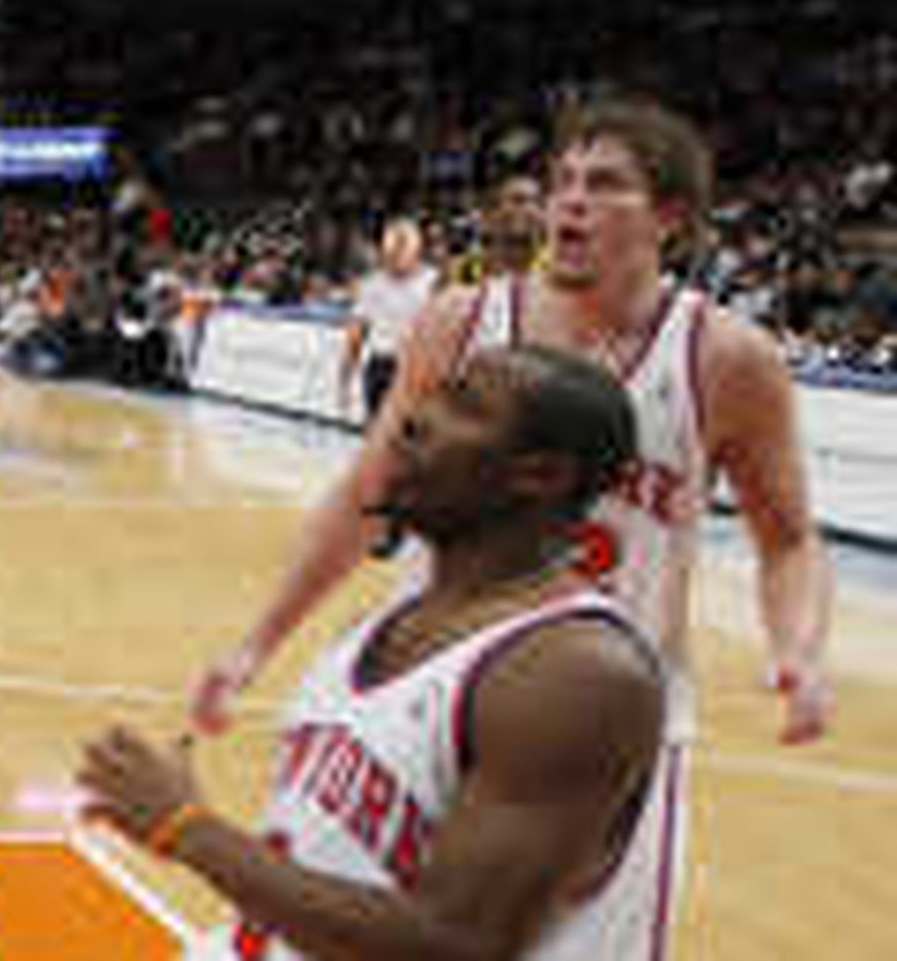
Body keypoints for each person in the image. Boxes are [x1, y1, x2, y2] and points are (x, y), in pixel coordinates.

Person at [188, 99, 837, 941]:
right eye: (563, 180)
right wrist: (256, 642)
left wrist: (799, 652)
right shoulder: (463, 321)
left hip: (600, 722)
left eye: (605, 185)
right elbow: (367, 491)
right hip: (432, 692)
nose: (569, 201)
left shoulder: (726, 357)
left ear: (671, 217)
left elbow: (788, 538)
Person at [84, 346, 667, 960]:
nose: (415, 417)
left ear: (540, 475)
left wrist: (189, 830)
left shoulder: (576, 674)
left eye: (464, 406)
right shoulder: (388, 620)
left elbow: (457, 944)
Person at [339, 218, 436, 425]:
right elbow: (354, 338)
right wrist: (344, 384)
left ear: (416, 251)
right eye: (390, 252)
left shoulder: (433, 283)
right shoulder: (371, 285)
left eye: (402, 250)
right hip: (381, 368)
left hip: (417, 368)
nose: (394, 257)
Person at [449, 174, 546, 286]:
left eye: (538, 203)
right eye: (518, 200)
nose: (531, 209)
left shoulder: (556, 270)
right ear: (491, 213)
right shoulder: (463, 270)